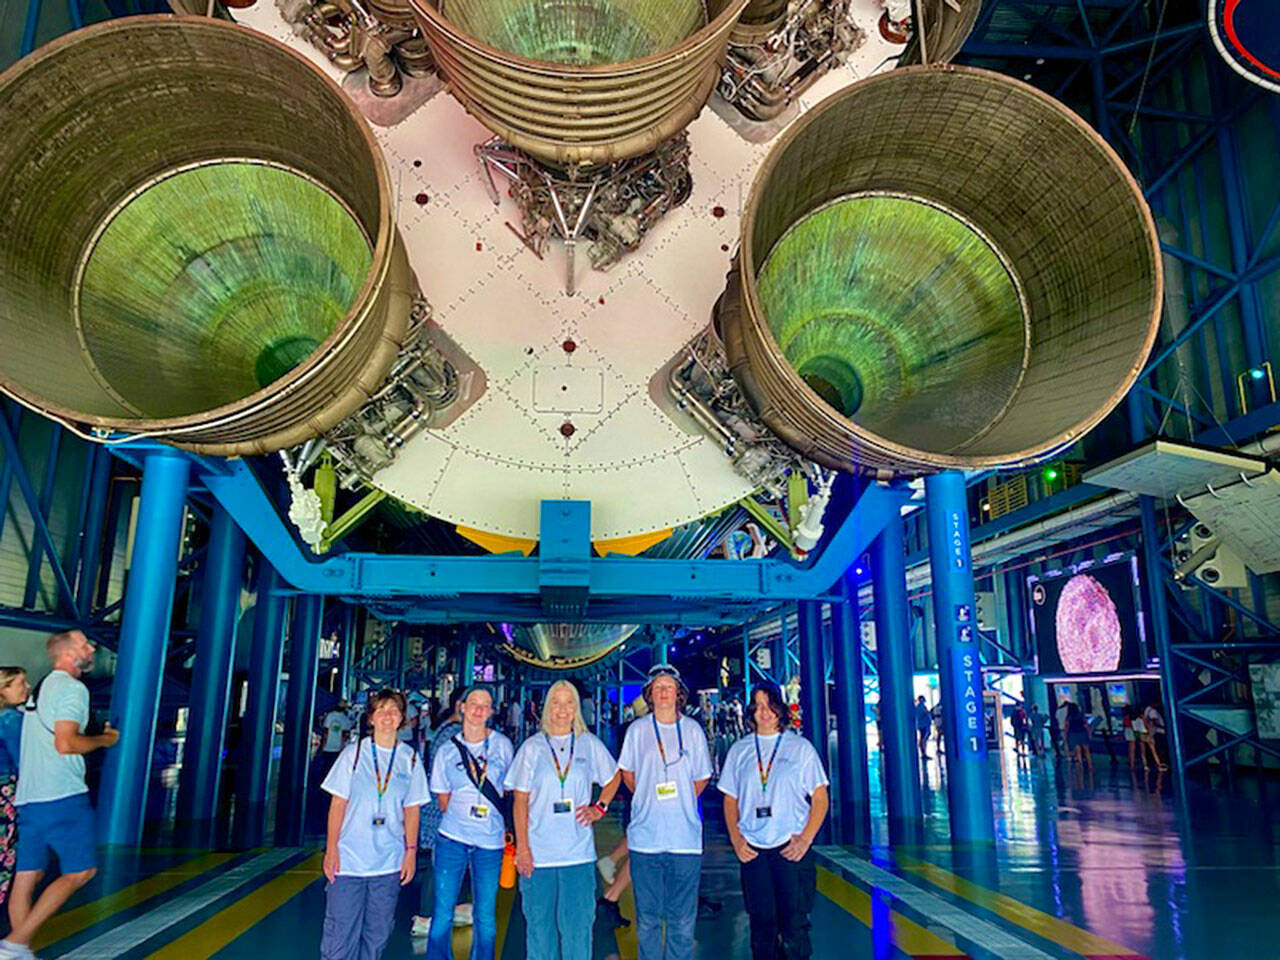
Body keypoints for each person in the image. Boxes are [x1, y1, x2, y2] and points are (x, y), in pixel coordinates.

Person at [2, 631, 118, 960]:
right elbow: (66, 743)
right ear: (68, 654)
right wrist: (104, 740)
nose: (92, 647)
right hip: (62, 795)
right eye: (85, 644)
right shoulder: (71, 688)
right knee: (80, 872)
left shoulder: (39, 689)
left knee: (28, 876)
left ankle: (19, 951)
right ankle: (13, 944)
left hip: (29, 798)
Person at [507, 679, 621, 960]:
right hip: (539, 856)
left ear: (576, 708)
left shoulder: (588, 744)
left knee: (578, 931)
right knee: (539, 929)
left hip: (577, 856)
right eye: (556, 702)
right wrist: (523, 849)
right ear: (547, 708)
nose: (562, 709)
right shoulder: (532, 748)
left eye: (568, 702)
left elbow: (613, 777)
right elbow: (520, 801)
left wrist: (600, 807)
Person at [720, 682, 828, 960]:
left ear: (780, 709)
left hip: (790, 849)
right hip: (753, 851)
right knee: (762, 925)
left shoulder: (800, 748)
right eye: (758, 707)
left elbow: (820, 798)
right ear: (751, 712)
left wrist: (805, 839)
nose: (764, 713)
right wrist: (736, 839)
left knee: (794, 925)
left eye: (770, 706)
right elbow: (730, 800)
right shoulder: (739, 750)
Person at [320, 689, 428, 960]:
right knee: (340, 934)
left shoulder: (410, 759)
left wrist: (411, 852)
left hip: (388, 862)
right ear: (370, 718)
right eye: (381, 710)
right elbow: (338, 805)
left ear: (402, 717)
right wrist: (331, 849)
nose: (387, 716)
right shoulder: (352, 755)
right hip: (349, 861)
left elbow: (412, 810)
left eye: (394, 710)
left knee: (378, 933)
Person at [618, 664, 712, 960]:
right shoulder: (637, 730)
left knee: (682, 921)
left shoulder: (693, 731)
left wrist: (678, 799)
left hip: (685, 840)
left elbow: (701, 778)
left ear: (678, 694)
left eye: (668, 687)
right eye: (657, 687)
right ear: (649, 694)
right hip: (646, 839)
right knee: (647, 919)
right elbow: (628, 774)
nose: (663, 692)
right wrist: (650, 797)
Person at [426, 685, 513, 960]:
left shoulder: (502, 745)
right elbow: (442, 796)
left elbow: (509, 790)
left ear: (491, 711)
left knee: (485, 915)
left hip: (490, 842)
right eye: (473, 703)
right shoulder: (447, 750)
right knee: (442, 912)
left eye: (485, 705)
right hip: (452, 838)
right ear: (461, 707)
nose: (478, 710)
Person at [411, 688, 465, 937]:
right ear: (460, 706)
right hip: (445, 810)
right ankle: (426, 916)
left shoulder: (445, 729)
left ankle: (445, 910)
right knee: (441, 863)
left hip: (441, 809)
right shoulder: (453, 735)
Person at [0, 668, 29, 911]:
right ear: (3, 690)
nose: (27, 687)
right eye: (20, 683)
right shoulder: (10, 719)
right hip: (5, 790)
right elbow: (24, 761)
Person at [1064, 701, 1092, 770]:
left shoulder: (1069, 717)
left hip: (1073, 734)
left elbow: (1066, 727)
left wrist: (1065, 735)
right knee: (1087, 751)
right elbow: (1086, 725)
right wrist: (1089, 733)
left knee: (1078, 751)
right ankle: (1090, 766)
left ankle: (1080, 766)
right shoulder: (1081, 715)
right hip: (1083, 733)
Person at [1142, 702, 1169, 771]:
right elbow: (1154, 721)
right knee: (1160, 749)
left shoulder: (1147, 710)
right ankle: (1161, 764)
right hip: (1158, 731)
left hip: (1152, 732)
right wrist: (1164, 726)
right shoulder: (1153, 711)